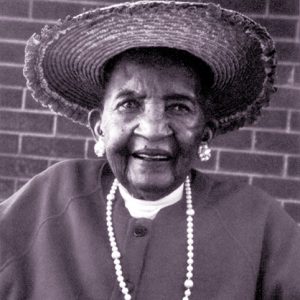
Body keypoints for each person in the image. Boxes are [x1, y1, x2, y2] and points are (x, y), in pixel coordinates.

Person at [1, 1, 300, 299]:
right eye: (129, 104)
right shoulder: (49, 197)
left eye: (179, 107)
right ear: (99, 127)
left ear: (206, 131)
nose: (154, 130)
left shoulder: (258, 222)